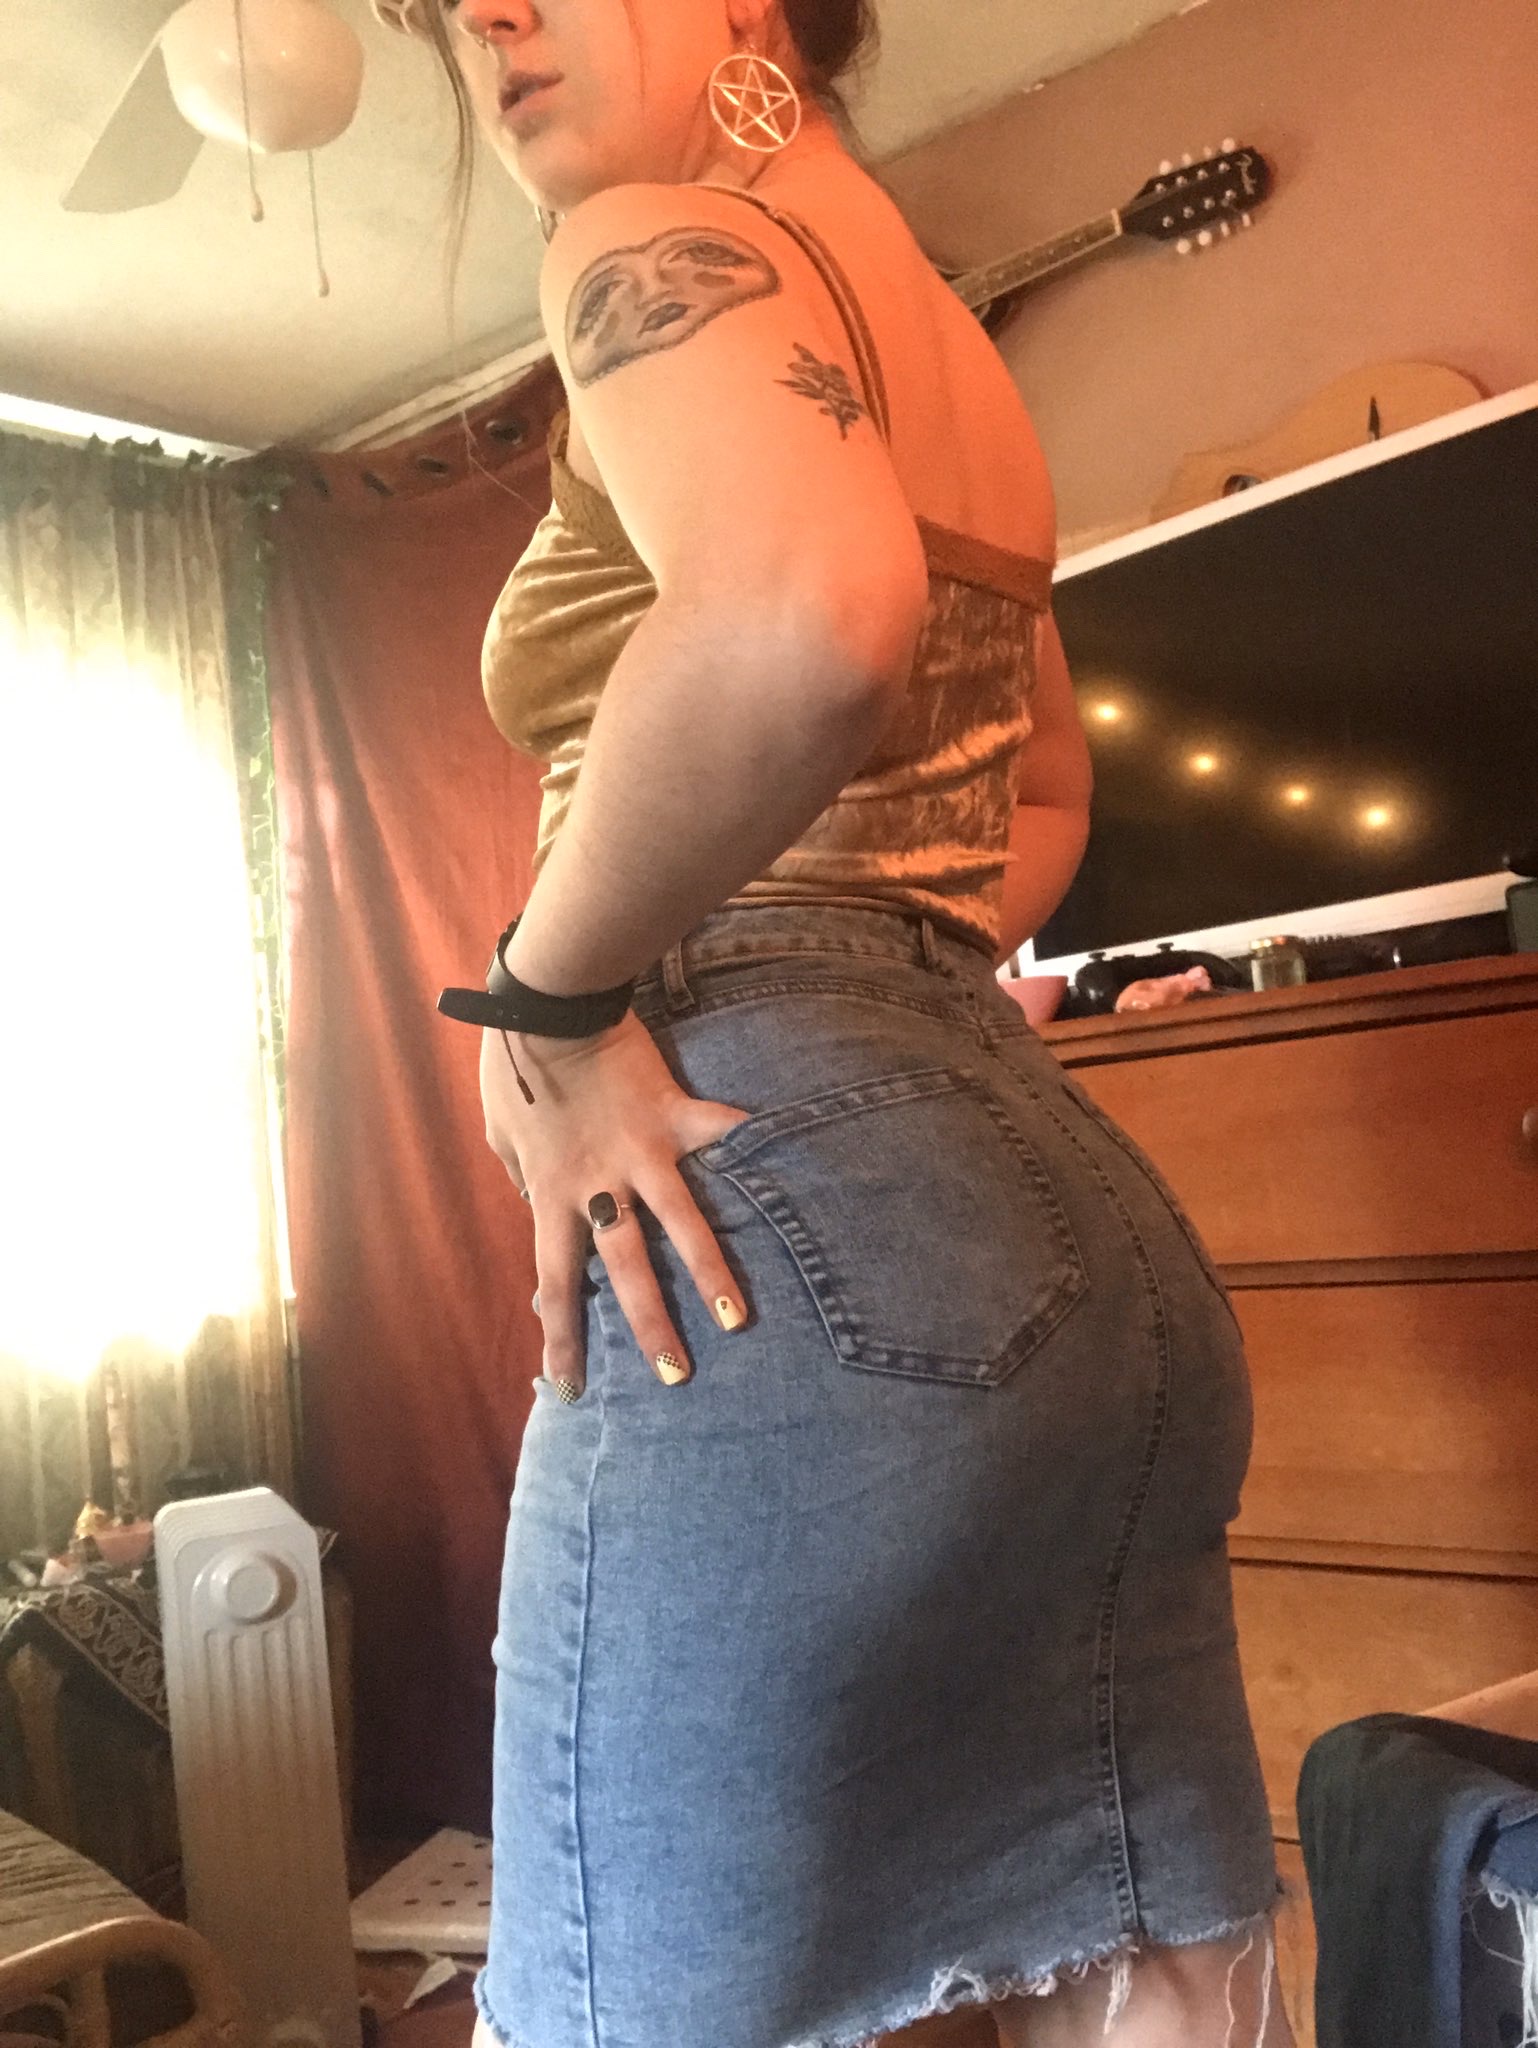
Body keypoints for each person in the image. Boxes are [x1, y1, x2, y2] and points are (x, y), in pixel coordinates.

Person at [406, 1, 1294, 2042]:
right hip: (1065, 1209)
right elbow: (1041, 795)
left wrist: (547, 994)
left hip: (772, 1203)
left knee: (623, 2000)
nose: (483, 16)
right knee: (1134, 1982)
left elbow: (801, 614)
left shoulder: (653, 235)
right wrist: (876, 1013)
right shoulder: (942, 344)